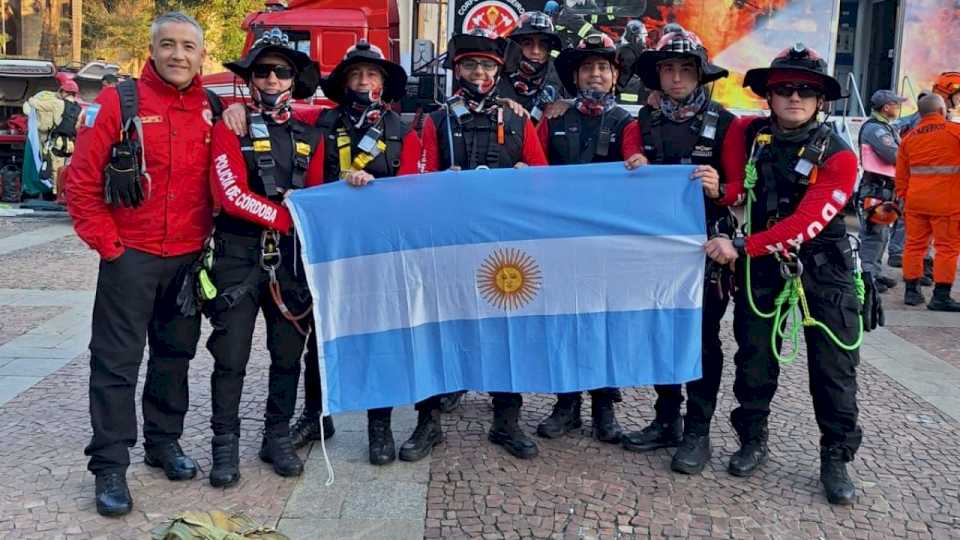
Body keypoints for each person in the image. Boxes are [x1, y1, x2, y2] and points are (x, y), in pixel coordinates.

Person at [67, 12, 219, 517]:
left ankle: (163, 442)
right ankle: (110, 465)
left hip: (187, 257)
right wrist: (110, 247)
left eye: (188, 47)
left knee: (175, 356)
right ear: (152, 50)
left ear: (202, 54)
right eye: (168, 45)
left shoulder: (213, 107)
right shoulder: (118, 101)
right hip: (129, 255)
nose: (179, 55)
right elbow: (81, 183)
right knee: (115, 363)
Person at [703, 44, 863, 505]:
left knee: (834, 368)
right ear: (768, 97)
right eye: (784, 89)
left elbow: (808, 222)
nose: (795, 97)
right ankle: (752, 438)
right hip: (761, 266)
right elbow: (736, 185)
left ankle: (836, 456)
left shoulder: (839, 155)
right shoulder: (747, 134)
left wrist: (740, 245)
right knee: (753, 355)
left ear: (820, 101)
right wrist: (721, 190)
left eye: (806, 91)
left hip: (823, 266)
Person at [616, 27, 744, 476]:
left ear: (699, 75)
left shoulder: (728, 124)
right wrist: (634, 168)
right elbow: (625, 179)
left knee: (703, 339)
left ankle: (698, 431)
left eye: (684, 69)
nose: (675, 78)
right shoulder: (639, 125)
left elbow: (741, 188)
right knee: (660, 331)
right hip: (654, 252)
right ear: (657, 75)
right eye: (667, 69)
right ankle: (666, 417)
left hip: (707, 251)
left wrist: (720, 189)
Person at [293, 41, 427, 466]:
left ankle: (379, 426)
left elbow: (412, 195)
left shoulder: (403, 131)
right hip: (330, 250)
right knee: (319, 334)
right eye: (356, 75)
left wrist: (377, 191)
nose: (364, 82)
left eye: (372, 75)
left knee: (380, 335)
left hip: (380, 252)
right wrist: (231, 109)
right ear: (343, 82)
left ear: (384, 84)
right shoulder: (320, 123)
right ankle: (316, 415)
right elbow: (312, 183)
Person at [205, 27, 324, 488]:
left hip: (290, 260)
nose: (272, 79)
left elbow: (316, 195)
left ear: (294, 80)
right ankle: (224, 449)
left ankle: (276, 438)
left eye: (282, 72)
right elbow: (229, 193)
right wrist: (285, 216)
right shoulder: (228, 127)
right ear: (250, 79)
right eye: (263, 72)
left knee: (287, 355)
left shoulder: (309, 133)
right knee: (230, 356)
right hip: (237, 255)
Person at [421, 29, 548, 459]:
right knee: (442, 327)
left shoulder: (518, 118)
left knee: (506, 330)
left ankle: (506, 421)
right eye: (471, 65)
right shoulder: (436, 121)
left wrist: (523, 177)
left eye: (487, 66)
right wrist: (440, 184)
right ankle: (428, 421)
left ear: (498, 71)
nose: (479, 72)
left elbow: (542, 177)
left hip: (503, 248)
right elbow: (415, 183)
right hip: (450, 244)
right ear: (457, 70)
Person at [532, 33, 638, 445]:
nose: (596, 74)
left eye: (604, 67)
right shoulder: (553, 118)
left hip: (608, 242)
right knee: (564, 319)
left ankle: (605, 407)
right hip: (560, 241)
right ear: (575, 76)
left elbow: (636, 171)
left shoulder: (628, 124)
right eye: (588, 67)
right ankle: (566, 404)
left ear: (614, 77)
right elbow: (534, 169)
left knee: (606, 321)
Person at [895, 93, 960, 311]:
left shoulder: (909, 138)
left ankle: (911, 292)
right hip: (947, 203)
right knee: (946, 248)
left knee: (913, 246)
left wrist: (904, 198)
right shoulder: (955, 133)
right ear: (942, 111)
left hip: (915, 201)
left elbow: (901, 177)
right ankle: (940, 296)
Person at [857, 89, 908, 293]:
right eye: (896, 104)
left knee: (883, 234)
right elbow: (894, 156)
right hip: (875, 190)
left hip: (884, 190)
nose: (898, 107)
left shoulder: (885, 127)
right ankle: (867, 276)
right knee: (873, 235)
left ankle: (874, 273)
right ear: (886, 107)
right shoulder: (875, 130)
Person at [499, 11, 567, 123]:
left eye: (543, 45)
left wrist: (568, 104)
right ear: (515, 46)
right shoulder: (495, 77)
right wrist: (496, 103)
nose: (535, 51)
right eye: (527, 43)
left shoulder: (560, 80)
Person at [23, 73, 81, 197]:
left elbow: (37, 105)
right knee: (67, 169)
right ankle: (66, 194)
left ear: (64, 92)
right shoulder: (79, 108)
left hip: (58, 142)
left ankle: (56, 194)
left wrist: (31, 99)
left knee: (56, 170)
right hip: (72, 144)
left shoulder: (57, 103)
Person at [615, 19, 650, 105]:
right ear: (636, 37)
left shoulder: (623, 48)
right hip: (629, 99)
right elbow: (630, 78)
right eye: (644, 36)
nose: (645, 40)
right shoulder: (628, 55)